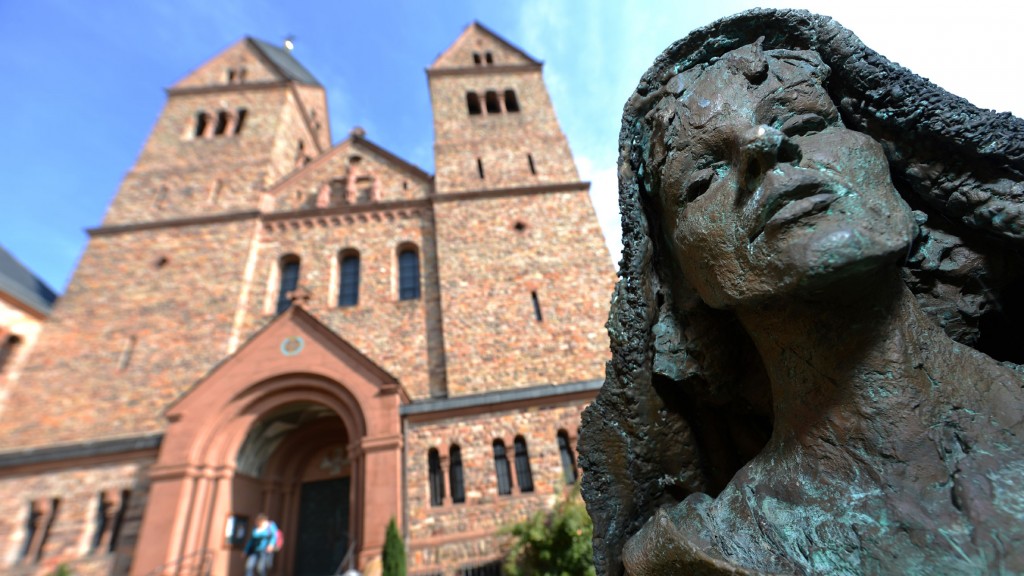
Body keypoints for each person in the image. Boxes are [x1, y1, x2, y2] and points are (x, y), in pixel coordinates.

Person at [579, 9, 1024, 575]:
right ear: (682, 289)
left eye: (805, 122)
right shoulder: (694, 557)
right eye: (700, 179)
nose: (763, 143)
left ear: (895, 168)